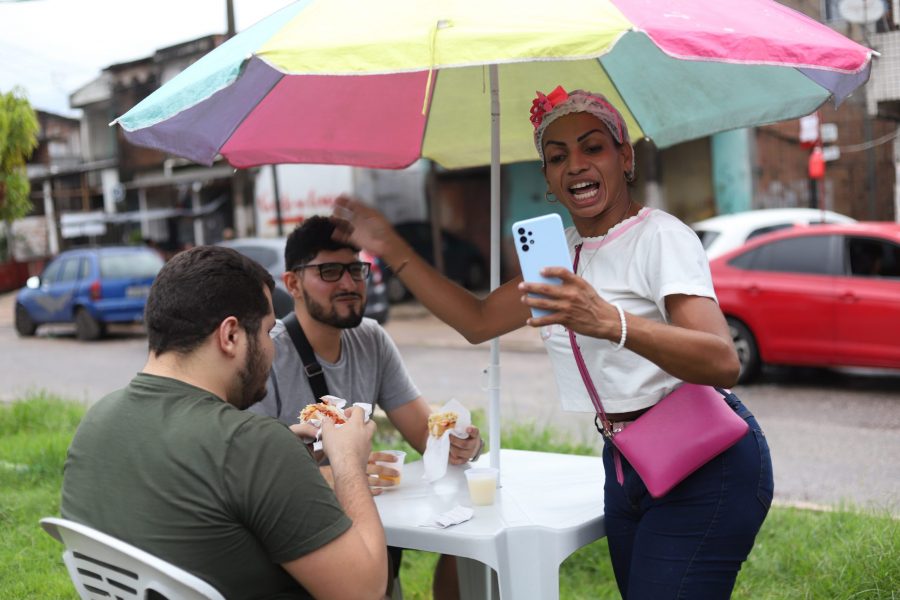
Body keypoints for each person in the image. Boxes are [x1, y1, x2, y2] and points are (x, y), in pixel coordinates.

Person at [331, 87, 774, 599]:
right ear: (546, 177)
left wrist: (610, 321)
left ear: (625, 157)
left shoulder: (661, 237)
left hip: (706, 462)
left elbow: (721, 360)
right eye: (558, 156)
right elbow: (476, 321)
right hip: (628, 460)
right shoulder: (560, 253)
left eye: (593, 148)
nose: (576, 166)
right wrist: (396, 250)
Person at [61, 245, 387, 600]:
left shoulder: (95, 423)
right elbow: (366, 591)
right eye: (266, 332)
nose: (273, 348)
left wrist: (282, 457)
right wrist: (348, 463)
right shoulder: (254, 447)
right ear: (230, 336)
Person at [247, 216, 483, 600]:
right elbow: (250, 465)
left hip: (367, 524)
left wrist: (458, 441)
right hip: (292, 546)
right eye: (329, 271)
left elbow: (426, 433)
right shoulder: (268, 353)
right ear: (293, 284)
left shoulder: (371, 338)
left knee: (469, 543)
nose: (349, 283)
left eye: (356, 269)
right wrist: (341, 473)